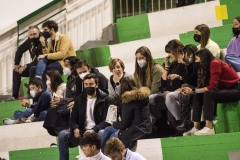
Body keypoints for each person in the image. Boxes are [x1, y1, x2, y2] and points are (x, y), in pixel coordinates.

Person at [182, 48, 240, 136]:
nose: (196, 62)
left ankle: (209, 127)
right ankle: (195, 127)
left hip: (236, 89)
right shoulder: (207, 66)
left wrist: (194, 90)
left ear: (203, 58)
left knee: (208, 93)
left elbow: (212, 87)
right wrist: (193, 91)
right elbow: (203, 86)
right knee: (197, 95)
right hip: (226, 89)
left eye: (197, 59)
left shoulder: (215, 63)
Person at [58, 73, 110, 160]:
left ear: (96, 85)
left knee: (102, 133)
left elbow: (107, 121)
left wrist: (94, 130)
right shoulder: (79, 99)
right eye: (86, 84)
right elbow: (72, 119)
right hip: (82, 132)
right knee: (62, 134)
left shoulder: (106, 99)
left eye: (91, 84)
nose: (88, 86)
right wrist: (75, 128)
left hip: (96, 132)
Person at [102, 76, 152, 149]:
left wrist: (113, 123)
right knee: (107, 130)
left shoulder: (128, 101)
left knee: (111, 139)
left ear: (123, 88)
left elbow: (124, 124)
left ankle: (102, 155)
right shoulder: (144, 97)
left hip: (135, 131)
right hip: (146, 128)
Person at [34, 20, 76, 88]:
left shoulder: (64, 38)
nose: (44, 32)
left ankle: (43, 90)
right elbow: (48, 54)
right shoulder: (50, 40)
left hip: (65, 62)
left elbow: (62, 54)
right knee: (34, 68)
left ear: (52, 29)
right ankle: (37, 79)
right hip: (57, 61)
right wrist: (43, 45)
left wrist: (45, 55)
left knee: (45, 68)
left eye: (46, 30)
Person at [10, 25, 42, 100]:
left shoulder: (42, 41)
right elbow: (20, 49)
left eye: (35, 34)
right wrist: (16, 64)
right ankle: (14, 96)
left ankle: (29, 93)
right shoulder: (29, 41)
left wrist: (25, 66)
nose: (33, 36)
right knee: (16, 71)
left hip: (43, 67)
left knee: (32, 68)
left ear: (39, 33)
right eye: (31, 35)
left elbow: (39, 61)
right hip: (33, 65)